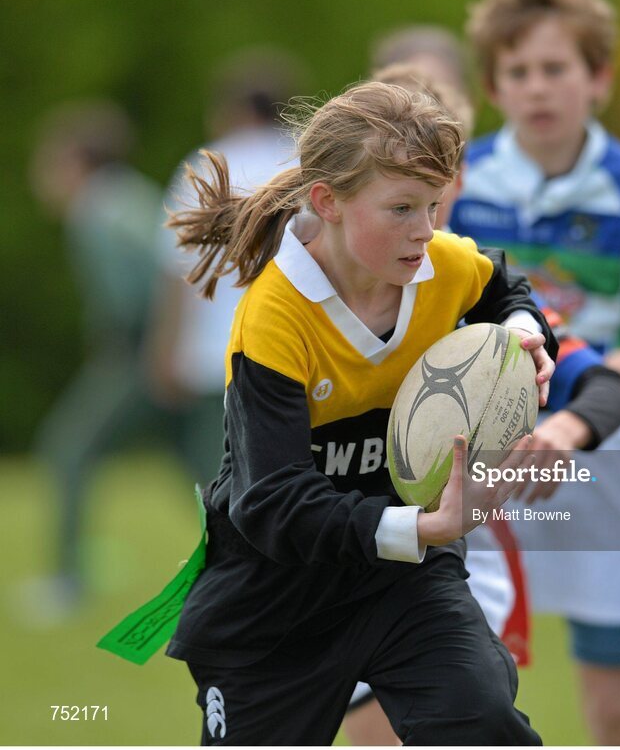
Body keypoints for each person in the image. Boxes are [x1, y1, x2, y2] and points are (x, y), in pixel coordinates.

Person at [163, 81, 556, 745]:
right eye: (401, 208)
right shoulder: (276, 316)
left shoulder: (439, 265)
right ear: (328, 202)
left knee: (484, 721)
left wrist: (524, 331)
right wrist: (421, 524)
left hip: (404, 584)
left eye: (433, 205)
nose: (425, 229)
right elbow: (272, 500)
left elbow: (502, 283)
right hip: (274, 598)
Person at [449, 0, 620, 745]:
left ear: (597, 77)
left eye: (556, 68)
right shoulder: (459, 182)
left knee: (615, 698)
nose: (538, 88)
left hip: (607, 448)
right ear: (494, 84)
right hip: (483, 454)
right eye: (518, 71)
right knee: (461, 676)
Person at [340, 63, 620, 746]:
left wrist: (564, 425)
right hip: (345, 552)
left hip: (457, 566)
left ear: (460, 177)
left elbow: (607, 384)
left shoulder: (480, 291)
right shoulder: (314, 292)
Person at [22, 100, 164, 621]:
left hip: (139, 358)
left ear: (76, 161)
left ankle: (66, 582)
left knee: (68, 448)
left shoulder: (93, 211)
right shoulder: (135, 195)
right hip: (177, 357)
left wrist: (113, 350)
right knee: (203, 469)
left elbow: (127, 299)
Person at [146, 47, 307, 482]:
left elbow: (176, 267)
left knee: (218, 481)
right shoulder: (305, 164)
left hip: (213, 357)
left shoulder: (207, 164)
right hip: (294, 348)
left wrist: (165, 347)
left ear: (234, 109)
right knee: (282, 480)